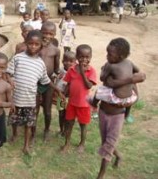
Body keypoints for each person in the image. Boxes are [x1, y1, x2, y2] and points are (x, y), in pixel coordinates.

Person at [93, 38, 146, 179]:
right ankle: (119, 156)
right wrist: (106, 70)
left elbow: (139, 75)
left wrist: (133, 82)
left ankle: (100, 175)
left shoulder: (129, 64)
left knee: (108, 145)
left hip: (118, 115)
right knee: (106, 142)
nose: (107, 56)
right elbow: (104, 79)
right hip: (104, 111)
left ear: (121, 56)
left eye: (110, 54)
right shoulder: (110, 65)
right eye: (107, 53)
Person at [7, 30, 63, 155]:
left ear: (40, 46)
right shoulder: (18, 58)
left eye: (36, 44)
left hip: (30, 100)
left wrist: (57, 89)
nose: (33, 46)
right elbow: (8, 73)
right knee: (14, 120)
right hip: (16, 98)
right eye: (30, 43)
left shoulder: (40, 64)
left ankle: (26, 145)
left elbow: (46, 80)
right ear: (26, 43)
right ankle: (14, 135)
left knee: (28, 123)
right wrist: (10, 80)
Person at [61, 44, 97, 153]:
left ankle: (82, 144)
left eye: (87, 57)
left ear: (90, 57)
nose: (84, 59)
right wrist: (63, 94)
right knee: (69, 123)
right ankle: (67, 143)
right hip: (72, 103)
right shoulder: (71, 69)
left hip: (84, 104)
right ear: (77, 56)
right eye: (81, 57)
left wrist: (82, 71)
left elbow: (89, 86)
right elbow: (68, 84)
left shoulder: (91, 70)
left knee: (83, 124)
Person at [34, 21, 61, 142]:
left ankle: (46, 130)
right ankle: (32, 132)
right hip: (35, 82)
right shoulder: (36, 47)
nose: (47, 36)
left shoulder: (55, 50)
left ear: (54, 34)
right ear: (40, 33)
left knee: (47, 109)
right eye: (44, 33)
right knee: (34, 109)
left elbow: (56, 68)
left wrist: (56, 76)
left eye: (50, 34)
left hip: (48, 83)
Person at [55, 51, 76, 136]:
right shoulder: (60, 71)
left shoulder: (75, 72)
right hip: (60, 96)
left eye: (71, 61)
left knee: (68, 115)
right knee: (61, 114)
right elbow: (55, 79)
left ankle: (67, 131)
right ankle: (61, 130)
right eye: (66, 60)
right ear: (62, 60)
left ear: (75, 62)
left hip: (70, 97)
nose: (68, 63)